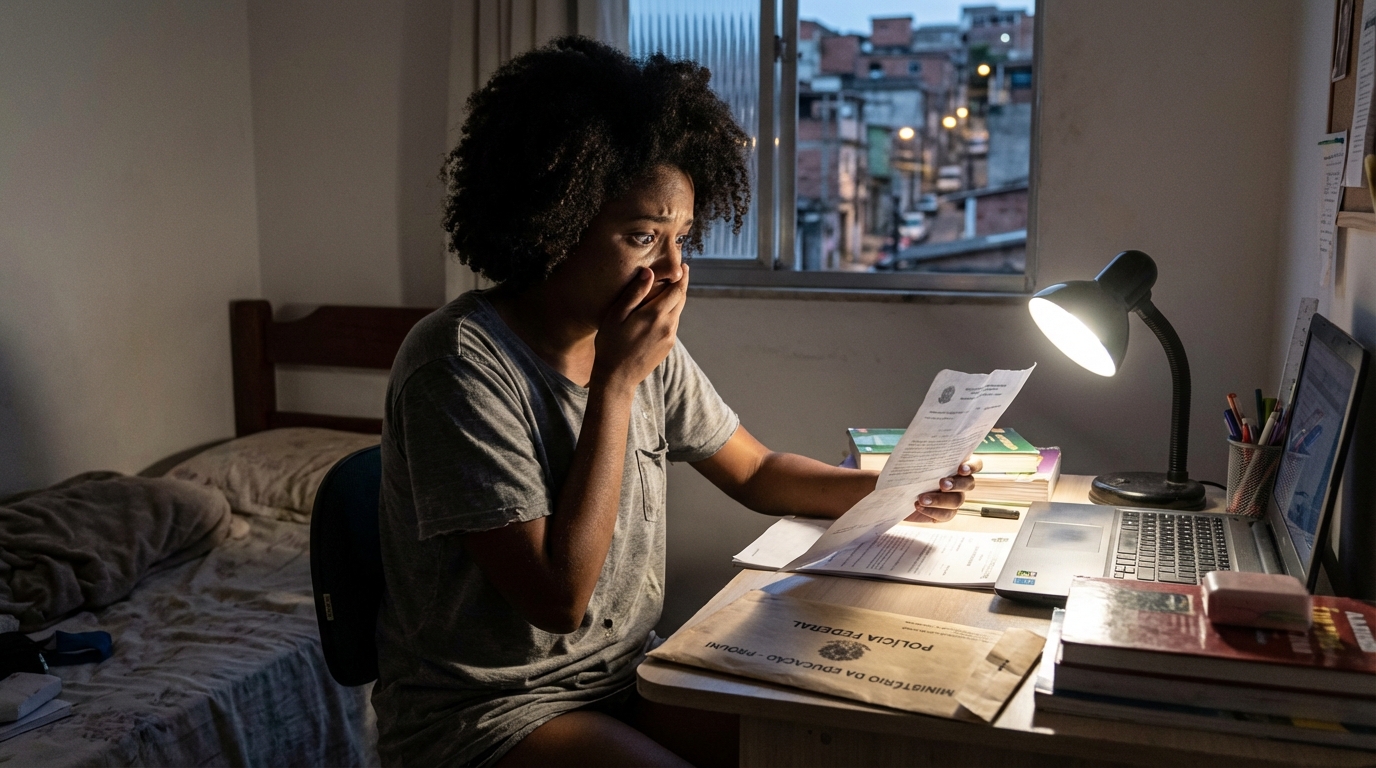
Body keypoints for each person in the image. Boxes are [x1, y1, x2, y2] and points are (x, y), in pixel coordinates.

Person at [372, 36, 979, 768]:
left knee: (827, 743)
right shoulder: (459, 364)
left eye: (682, 238)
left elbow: (755, 472)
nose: (671, 269)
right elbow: (558, 600)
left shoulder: (632, 340)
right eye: (641, 237)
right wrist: (616, 383)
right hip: (487, 712)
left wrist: (899, 489)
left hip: (626, 674)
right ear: (552, 223)